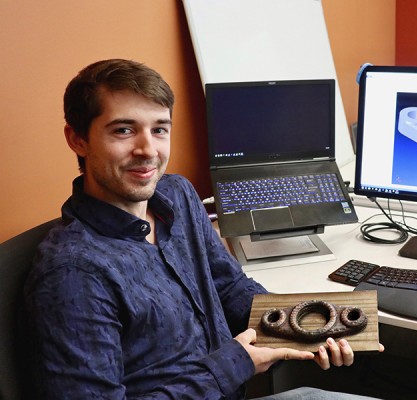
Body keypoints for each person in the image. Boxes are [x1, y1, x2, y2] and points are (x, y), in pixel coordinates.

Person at [24, 59, 382, 399]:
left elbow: (229, 285)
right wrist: (233, 364)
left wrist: (300, 328)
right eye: (123, 130)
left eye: (159, 129)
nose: (148, 150)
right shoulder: (73, 272)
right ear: (78, 139)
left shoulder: (176, 196)